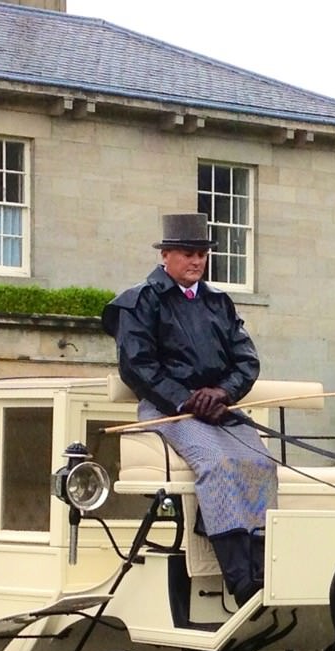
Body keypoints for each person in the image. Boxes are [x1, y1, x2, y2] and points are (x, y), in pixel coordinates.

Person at [102, 212, 277, 606]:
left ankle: (263, 564)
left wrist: (221, 394)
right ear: (166, 255)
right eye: (187, 253)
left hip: (217, 409)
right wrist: (185, 399)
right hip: (168, 411)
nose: (196, 261)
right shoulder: (141, 302)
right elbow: (137, 366)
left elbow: (246, 362)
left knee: (260, 463)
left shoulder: (219, 303)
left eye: (201, 253)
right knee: (217, 462)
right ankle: (240, 578)